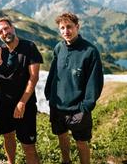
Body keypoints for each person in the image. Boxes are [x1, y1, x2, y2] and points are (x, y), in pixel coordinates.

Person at [44, 12, 104, 164]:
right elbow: (53, 73)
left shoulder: (90, 51)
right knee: (62, 136)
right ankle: (66, 162)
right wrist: (49, 95)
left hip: (78, 109)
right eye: (62, 28)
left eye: (69, 27)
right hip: (57, 106)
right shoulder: (58, 48)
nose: (66, 31)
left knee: (81, 142)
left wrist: (85, 107)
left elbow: (94, 82)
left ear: (77, 27)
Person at [0, 17, 43, 164]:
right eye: (0, 32)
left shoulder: (29, 47)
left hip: (25, 104)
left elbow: (34, 77)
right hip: (4, 103)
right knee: (8, 137)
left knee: (28, 145)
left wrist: (22, 102)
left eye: (6, 28)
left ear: (13, 28)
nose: (5, 32)